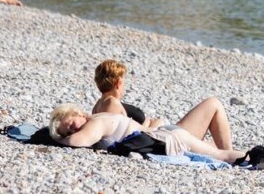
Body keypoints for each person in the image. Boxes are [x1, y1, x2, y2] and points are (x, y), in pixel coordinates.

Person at [90, 59, 232, 150]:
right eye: (124, 80)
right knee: (213, 103)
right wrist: (154, 124)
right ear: (118, 83)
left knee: (213, 144)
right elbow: (130, 135)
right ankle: (230, 156)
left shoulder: (101, 103)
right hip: (166, 137)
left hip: (165, 135)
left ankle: (230, 154)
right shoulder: (111, 104)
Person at [48, 106, 251, 165]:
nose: (72, 132)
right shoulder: (98, 116)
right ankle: (233, 156)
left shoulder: (96, 123)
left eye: (71, 125)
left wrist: (57, 139)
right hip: (165, 134)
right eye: (68, 131)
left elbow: (77, 142)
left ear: (77, 113)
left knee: (224, 156)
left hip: (167, 137)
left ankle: (247, 158)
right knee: (213, 104)